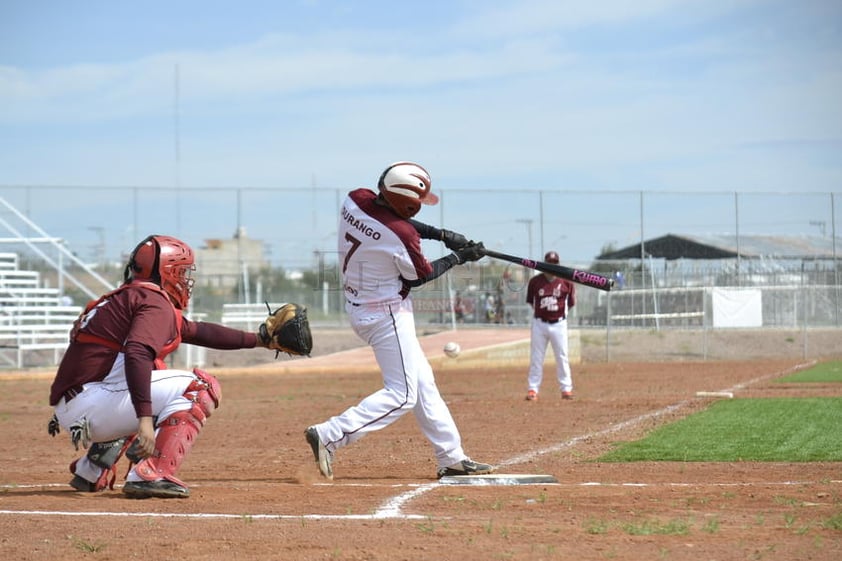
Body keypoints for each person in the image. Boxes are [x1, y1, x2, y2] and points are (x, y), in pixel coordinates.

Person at [48, 234, 286, 499]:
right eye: (181, 272)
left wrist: (261, 341)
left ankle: (91, 469)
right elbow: (137, 353)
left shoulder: (130, 296)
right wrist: (145, 421)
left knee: (153, 374)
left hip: (79, 405)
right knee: (199, 387)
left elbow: (196, 331)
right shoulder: (152, 299)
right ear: (166, 270)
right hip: (93, 404)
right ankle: (151, 473)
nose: (185, 279)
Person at [305, 161, 494, 480]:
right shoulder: (401, 235)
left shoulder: (356, 198)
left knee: (422, 382)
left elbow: (389, 220)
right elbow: (421, 276)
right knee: (403, 394)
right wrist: (459, 257)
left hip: (361, 306)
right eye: (417, 204)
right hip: (387, 314)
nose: (420, 208)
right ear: (406, 203)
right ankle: (331, 434)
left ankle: (451, 457)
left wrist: (441, 235)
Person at [524, 251, 576, 401]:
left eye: (555, 264)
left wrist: (558, 313)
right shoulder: (535, 282)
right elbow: (530, 301)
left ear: (558, 265)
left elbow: (571, 303)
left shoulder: (566, 282)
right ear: (544, 264)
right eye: (549, 263)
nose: (552, 266)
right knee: (536, 357)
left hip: (559, 323)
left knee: (562, 356)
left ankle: (566, 389)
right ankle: (533, 389)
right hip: (539, 323)